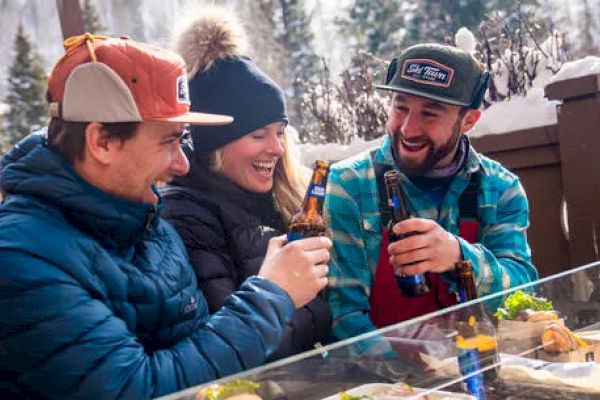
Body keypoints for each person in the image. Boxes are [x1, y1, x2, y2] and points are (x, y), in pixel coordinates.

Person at [0, 33, 331, 399]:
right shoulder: (22, 257)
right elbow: (138, 390)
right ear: (102, 142)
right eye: (169, 141)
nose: (183, 163)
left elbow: (200, 348)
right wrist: (271, 296)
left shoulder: (149, 222)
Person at [324, 43, 538, 352]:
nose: (409, 128)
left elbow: (523, 292)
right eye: (400, 107)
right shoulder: (349, 185)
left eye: (429, 113)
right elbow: (342, 318)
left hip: (481, 369)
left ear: (469, 120)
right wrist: (416, 382)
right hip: (386, 386)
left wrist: (460, 257)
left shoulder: (501, 189)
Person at [161, 9, 331, 361]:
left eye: (281, 132)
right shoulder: (187, 215)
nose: (277, 148)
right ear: (217, 144)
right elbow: (234, 350)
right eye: (259, 135)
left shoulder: (278, 199)